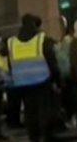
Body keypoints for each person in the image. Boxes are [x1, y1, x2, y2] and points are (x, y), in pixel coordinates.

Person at [8, 14, 60, 142]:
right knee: (46, 111)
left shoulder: (12, 42)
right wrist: (57, 80)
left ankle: (34, 138)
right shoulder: (42, 39)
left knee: (30, 112)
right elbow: (52, 62)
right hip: (42, 81)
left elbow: (11, 64)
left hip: (21, 83)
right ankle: (47, 136)